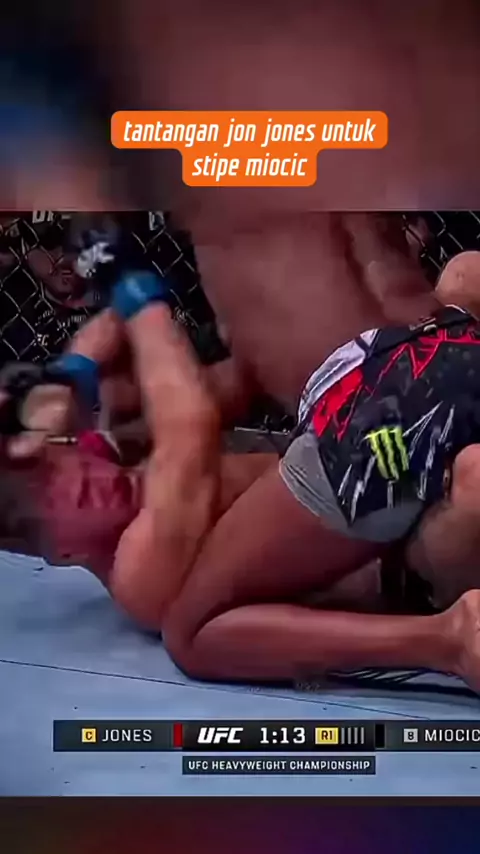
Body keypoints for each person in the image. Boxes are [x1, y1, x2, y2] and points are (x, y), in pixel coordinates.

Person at [4, 263, 480, 694]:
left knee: (464, 278)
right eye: (70, 499)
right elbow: (189, 427)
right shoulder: (139, 575)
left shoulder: (114, 459)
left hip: (384, 467)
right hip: (404, 553)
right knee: (470, 483)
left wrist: (70, 372)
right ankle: (445, 639)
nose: (84, 476)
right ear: (61, 552)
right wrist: (128, 283)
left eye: (61, 461)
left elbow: (236, 383)